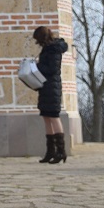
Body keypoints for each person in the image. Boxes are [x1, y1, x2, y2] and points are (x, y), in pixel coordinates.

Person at [32, 25, 69, 164]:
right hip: (46, 87)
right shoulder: (49, 48)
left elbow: (52, 69)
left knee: (54, 117)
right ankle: (50, 151)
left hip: (52, 87)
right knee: (46, 117)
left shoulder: (54, 49)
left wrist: (37, 66)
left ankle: (61, 151)